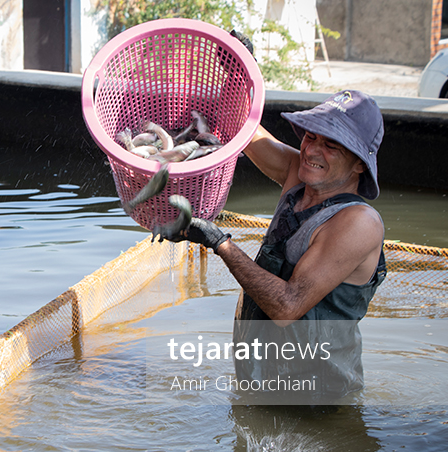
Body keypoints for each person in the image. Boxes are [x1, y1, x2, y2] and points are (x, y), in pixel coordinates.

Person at [159, 89, 387, 400]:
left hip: (318, 398)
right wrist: (235, 74)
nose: (311, 151)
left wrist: (218, 243)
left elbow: (287, 306)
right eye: (311, 136)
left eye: (331, 145)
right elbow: (243, 129)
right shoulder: (299, 176)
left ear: (359, 164)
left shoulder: (358, 222)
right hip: (259, 381)